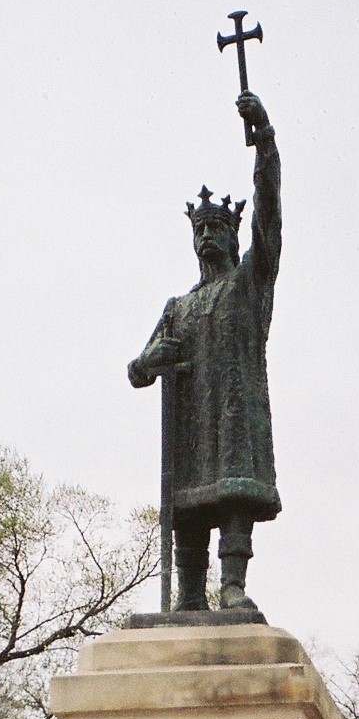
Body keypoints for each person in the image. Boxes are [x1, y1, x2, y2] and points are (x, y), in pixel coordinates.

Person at [128, 90, 281, 613]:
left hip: (234, 419)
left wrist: (265, 141)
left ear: (233, 237)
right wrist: (149, 361)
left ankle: (232, 585)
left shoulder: (248, 284)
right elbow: (137, 369)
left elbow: (270, 218)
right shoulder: (178, 307)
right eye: (201, 229)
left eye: (217, 228)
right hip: (191, 428)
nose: (208, 236)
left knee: (233, 492)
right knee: (189, 507)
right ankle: (190, 596)